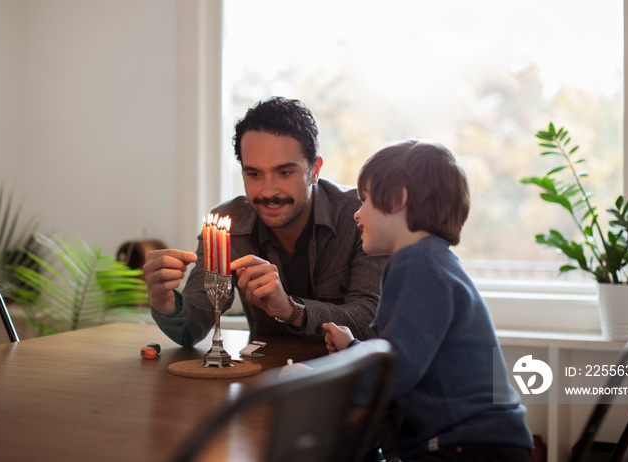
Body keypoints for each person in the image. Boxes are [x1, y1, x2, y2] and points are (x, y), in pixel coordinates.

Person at [322, 140, 534, 462]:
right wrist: (353, 346)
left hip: (466, 446)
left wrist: (319, 380)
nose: (356, 213)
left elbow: (396, 372)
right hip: (487, 439)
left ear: (397, 198)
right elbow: (400, 351)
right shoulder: (436, 261)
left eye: (364, 200)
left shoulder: (417, 265)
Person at [144, 97, 387, 346]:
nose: (268, 191)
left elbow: (372, 321)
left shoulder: (361, 216)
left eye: (284, 172)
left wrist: (292, 310)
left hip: (348, 377)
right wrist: (164, 303)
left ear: (314, 169)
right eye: (254, 174)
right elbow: (192, 328)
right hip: (266, 378)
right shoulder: (226, 226)